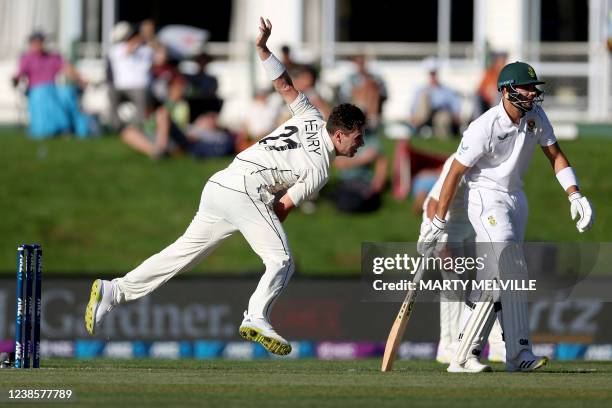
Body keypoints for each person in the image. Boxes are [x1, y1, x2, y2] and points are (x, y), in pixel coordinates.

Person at [84, 17, 366, 356]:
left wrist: (262, 49)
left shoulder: (310, 115)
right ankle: (256, 316)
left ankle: (114, 291)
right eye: (357, 137)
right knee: (283, 261)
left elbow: (284, 85)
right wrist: (260, 229)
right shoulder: (320, 167)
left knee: (179, 255)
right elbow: (282, 209)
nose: (360, 144)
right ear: (338, 134)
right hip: (247, 192)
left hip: (220, 183)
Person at [418, 61, 594, 372]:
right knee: (504, 267)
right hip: (485, 197)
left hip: (516, 197)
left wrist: (574, 193)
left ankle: (516, 354)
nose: (531, 94)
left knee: (510, 276)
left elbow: (555, 154)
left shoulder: (535, 116)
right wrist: (438, 221)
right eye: (525, 88)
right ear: (505, 91)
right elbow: (454, 173)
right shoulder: (483, 126)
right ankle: (464, 354)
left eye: (532, 88)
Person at [421, 154, 505, 364]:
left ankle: (497, 345)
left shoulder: (498, 163)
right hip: (445, 228)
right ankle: (447, 346)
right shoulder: (459, 161)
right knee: (455, 282)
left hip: (472, 228)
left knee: (490, 282)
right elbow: (433, 204)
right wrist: (441, 245)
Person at [13, 31, 90, 138]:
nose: (37, 45)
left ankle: (68, 127)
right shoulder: (27, 59)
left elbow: (67, 68)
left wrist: (80, 79)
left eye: (39, 42)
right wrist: (15, 80)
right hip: (37, 91)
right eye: (35, 42)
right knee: (44, 96)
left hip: (52, 89)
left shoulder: (52, 57)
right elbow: (19, 75)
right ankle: (52, 128)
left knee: (67, 93)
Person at [107, 25, 154, 130]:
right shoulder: (116, 49)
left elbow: (161, 55)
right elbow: (128, 50)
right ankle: (117, 127)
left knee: (142, 102)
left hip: (139, 86)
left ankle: (138, 127)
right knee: (111, 95)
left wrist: (148, 39)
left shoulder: (147, 49)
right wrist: (140, 38)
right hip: (120, 86)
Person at [410, 57, 462, 139]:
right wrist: (413, 115)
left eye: (434, 73)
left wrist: (456, 114)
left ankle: (443, 139)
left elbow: (454, 103)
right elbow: (414, 105)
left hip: (440, 113)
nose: (433, 76)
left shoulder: (446, 90)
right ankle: (417, 126)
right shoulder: (421, 90)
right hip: (423, 115)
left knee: (443, 119)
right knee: (424, 97)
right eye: (431, 73)